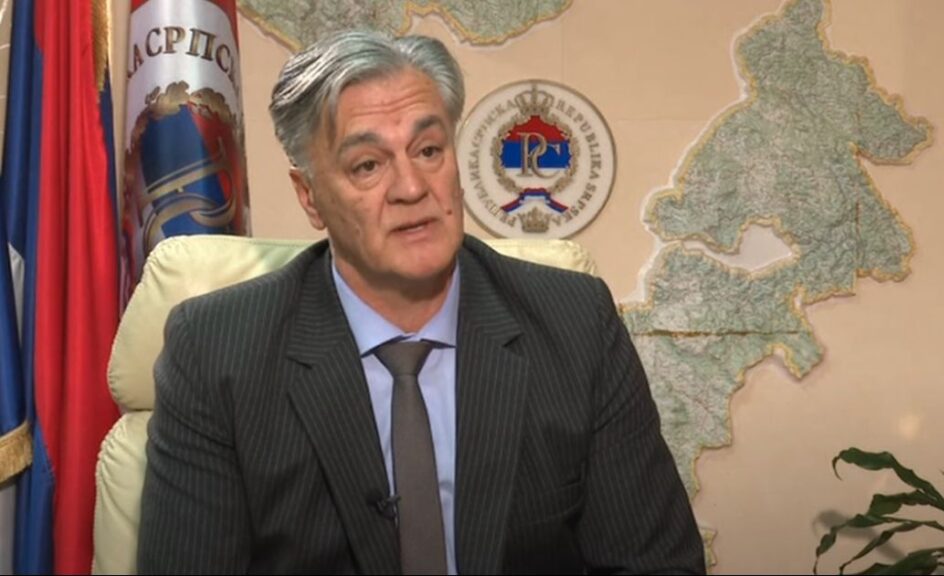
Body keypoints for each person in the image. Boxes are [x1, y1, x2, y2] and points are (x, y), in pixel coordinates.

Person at [137, 29, 705, 575]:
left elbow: (656, 563)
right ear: (310, 197)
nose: (412, 188)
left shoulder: (575, 324)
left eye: (429, 150)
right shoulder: (216, 352)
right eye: (368, 164)